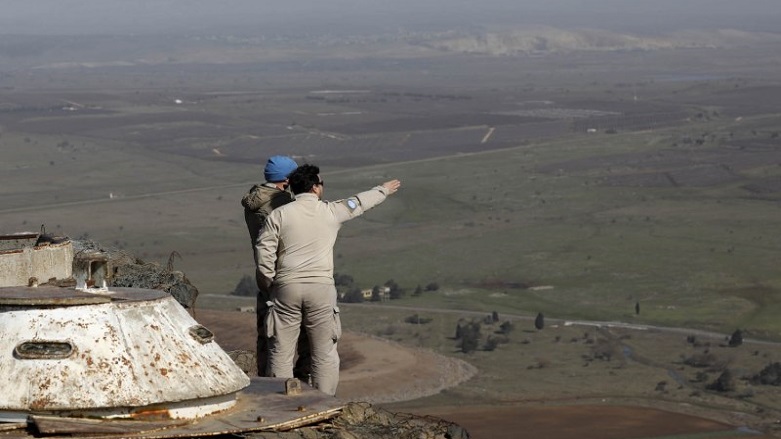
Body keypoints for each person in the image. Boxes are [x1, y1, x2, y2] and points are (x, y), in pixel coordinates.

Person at [258, 164, 401, 395]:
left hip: (286, 287)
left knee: (281, 350)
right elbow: (358, 202)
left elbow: (264, 253)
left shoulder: (279, 215)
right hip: (321, 290)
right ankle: (324, 401)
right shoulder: (331, 211)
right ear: (315, 188)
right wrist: (382, 190)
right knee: (323, 353)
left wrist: (269, 284)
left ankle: (280, 401)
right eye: (321, 184)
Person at [240, 155, 310, 378]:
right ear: (287, 180)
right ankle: (297, 388)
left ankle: (267, 384)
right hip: (287, 277)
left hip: (266, 276)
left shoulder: (256, 199)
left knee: (268, 336)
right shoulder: (281, 205)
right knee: (299, 339)